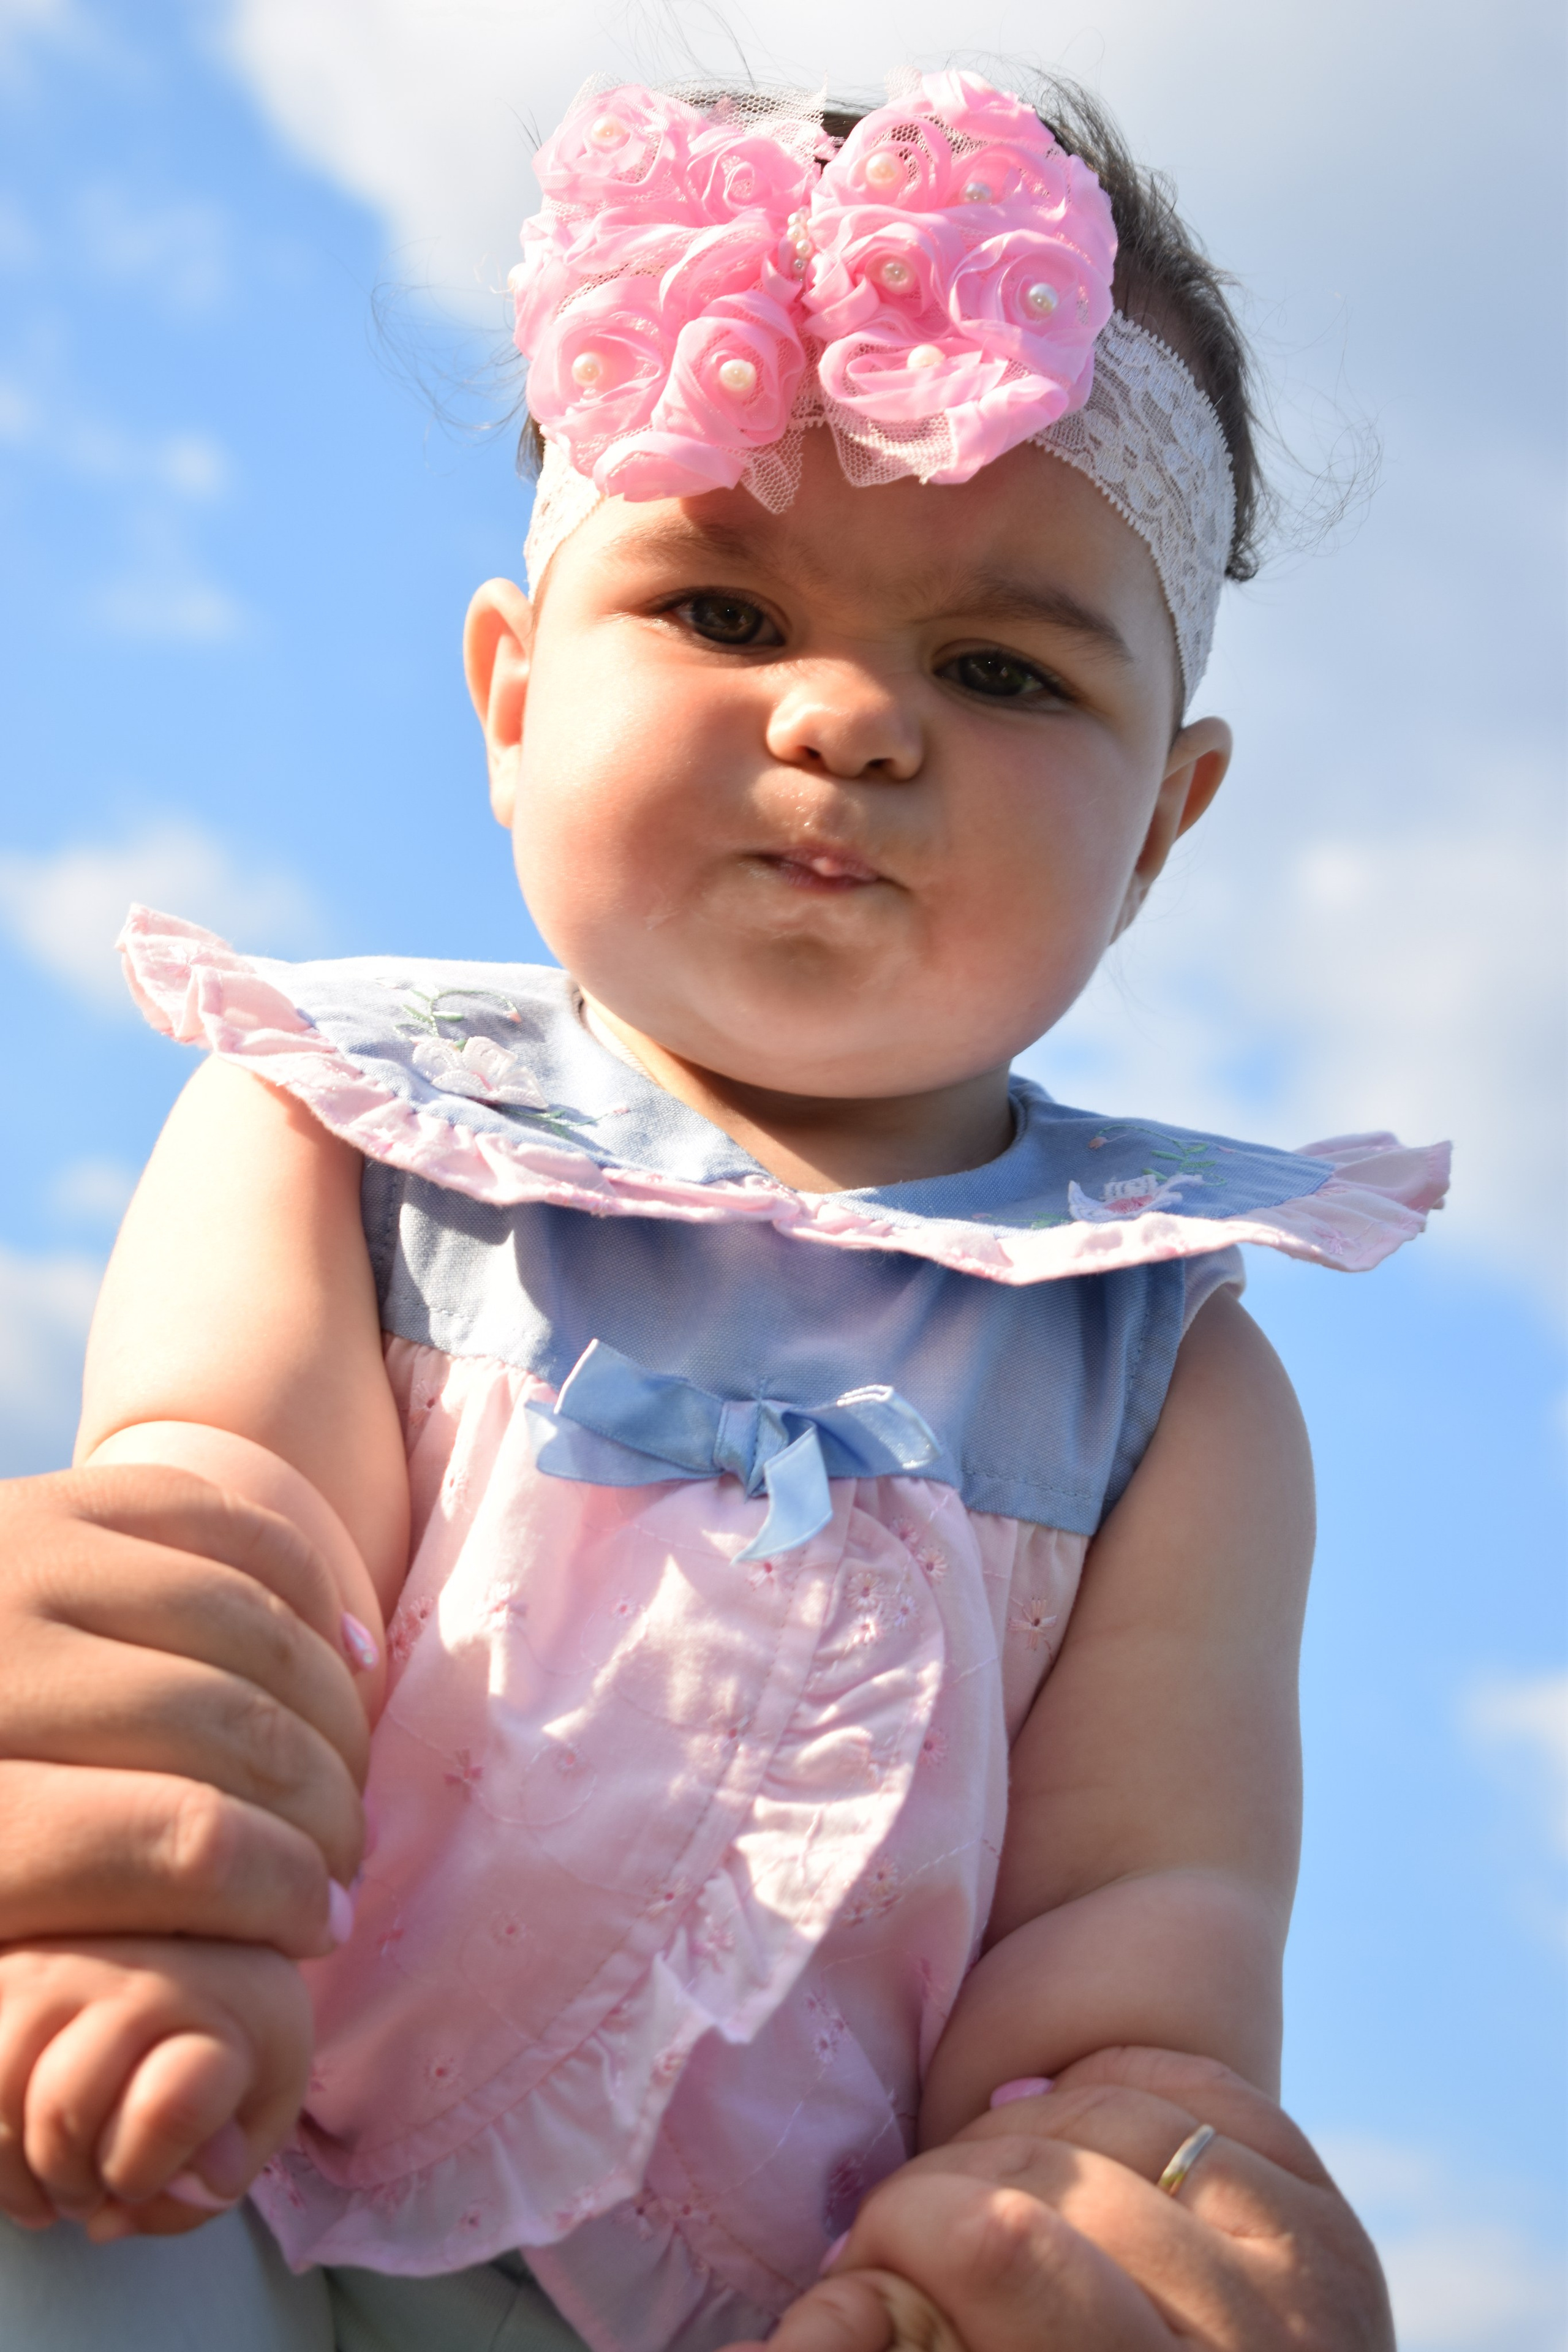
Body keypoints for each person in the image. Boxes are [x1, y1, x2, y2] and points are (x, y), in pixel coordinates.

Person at [0, 68, 1439, 2351]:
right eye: (724, 605)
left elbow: (1134, 1904)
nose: (852, 721)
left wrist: (1078, 2184)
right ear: (508, 695)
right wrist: (136, 1916)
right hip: (228, 2154)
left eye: (999, 669)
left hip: (766, 2303)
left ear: (1164, 826)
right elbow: (214, 1559)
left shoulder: (1163, 1376)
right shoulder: (342, 1128)